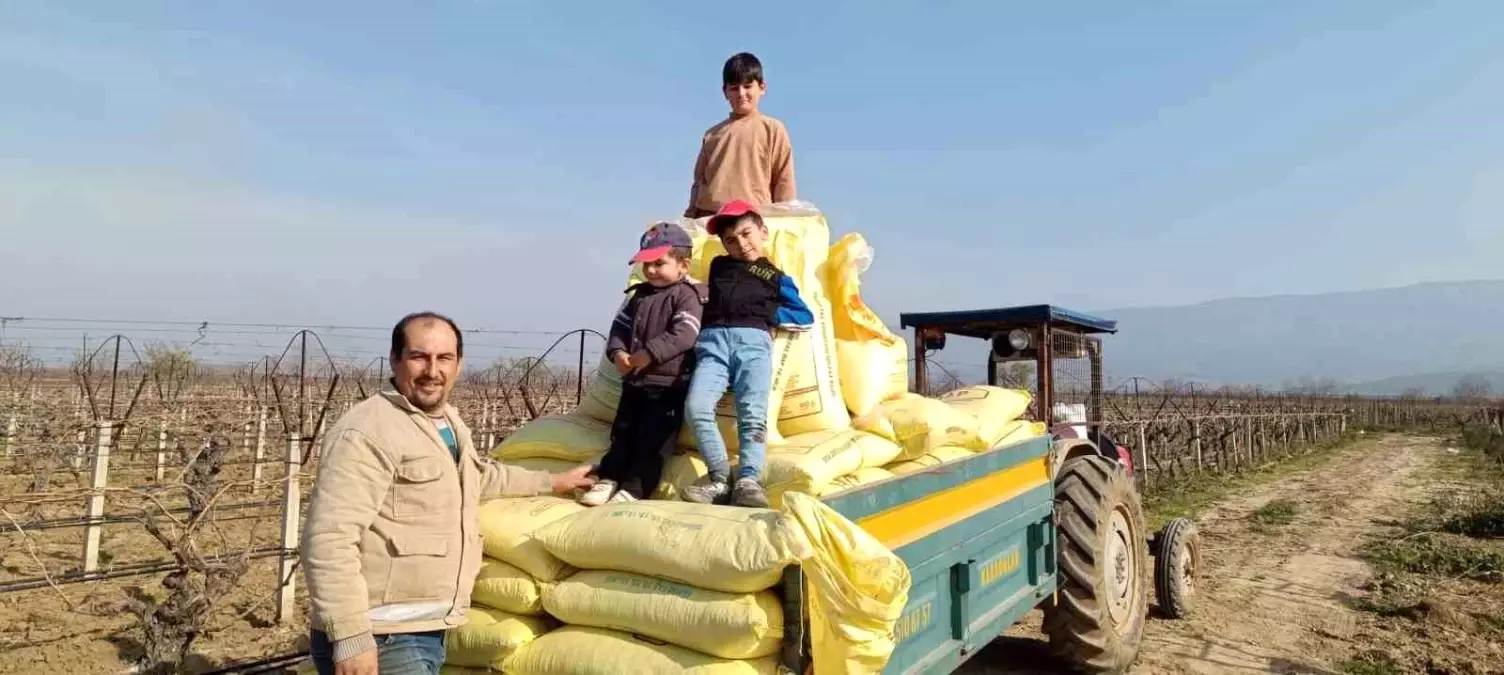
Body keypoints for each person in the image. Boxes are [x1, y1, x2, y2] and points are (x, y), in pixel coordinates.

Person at [300, 312, 595, 675]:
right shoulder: (368, 431)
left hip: (425, 630)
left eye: (444, 358)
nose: (432, 370)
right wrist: (350, 638)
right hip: (382, 635)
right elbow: (328, 540)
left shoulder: (447, 422)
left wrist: (554, 481)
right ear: (395, 360)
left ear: (459, 364)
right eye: (419, 357)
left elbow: (476, 479)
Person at [681, 200, 813, 507]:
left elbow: (804, 316)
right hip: (712, 344)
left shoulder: (776, 277)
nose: (741, 243)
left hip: (753, 344)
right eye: (731, 239)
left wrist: (765, 312)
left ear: (763, 232)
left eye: (747, 233)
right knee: (697, 407)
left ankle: (749, 480)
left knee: (752, 415)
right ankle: (719, 479)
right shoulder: (718, 266)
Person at [578, 222, 708, 506]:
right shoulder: (639, 295)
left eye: (658, 263)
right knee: (622, 434)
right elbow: (619, 329)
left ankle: (635, 489)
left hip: (668, 386)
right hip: (635, 382)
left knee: (653, 442)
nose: (650, 271)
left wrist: (649, 353)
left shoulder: (688, 295)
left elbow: (685, 334)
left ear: (683, 265)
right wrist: (618, 353)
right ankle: (609, 478)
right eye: (646, 264)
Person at [684, 52, 797, 219]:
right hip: (712, 222)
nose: (741, 94)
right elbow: (699, 183)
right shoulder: (712, 135)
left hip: (753, 221)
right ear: (725, 91)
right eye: (734, 88)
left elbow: (783, 181)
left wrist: (785, 222)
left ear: (762, 87)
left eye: (748, 86)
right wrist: (691, 216)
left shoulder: (772, 129)